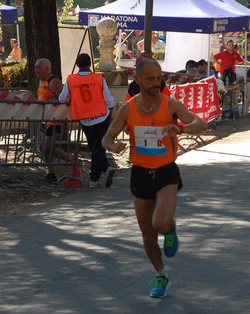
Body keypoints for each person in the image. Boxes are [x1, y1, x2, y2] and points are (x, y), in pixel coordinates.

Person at [101, 58, 207, 299]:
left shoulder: (170, 105)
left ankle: (169, 229)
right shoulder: (128, 108)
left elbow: (200, 122)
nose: (156, 83)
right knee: (147, 234)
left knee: (159, 223)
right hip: (140, 172)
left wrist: (180, 128)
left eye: (159, 78)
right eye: (150, 79)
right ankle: (161, 275)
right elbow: (106, 137)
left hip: (166, 171)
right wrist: (112, 145)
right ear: (137, 80)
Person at [59, 53, 116, 188]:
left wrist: (69, 99)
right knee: (98, 147)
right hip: (102, 116)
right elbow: (108, 98)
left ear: (77, 65)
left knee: (94, 147)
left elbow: (62, 98)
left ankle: (95, 177)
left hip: (85, 118)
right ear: (90, 64)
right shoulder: (98, 78)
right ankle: (102, 172)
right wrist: (111, 108)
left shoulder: (71, 79)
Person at [35, 58, 68, 183]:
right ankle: (51, 173)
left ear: (47, 69)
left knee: (47, 148)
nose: (35, 70)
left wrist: (54, 104)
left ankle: (72, 160)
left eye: (38, 67)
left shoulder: (54, 81)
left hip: (55, 121)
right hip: (45, 120)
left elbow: (64, 99)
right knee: (45, 148)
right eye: (35, 67)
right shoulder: (40, 81)